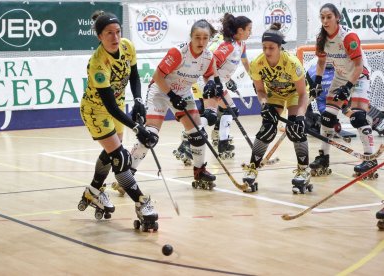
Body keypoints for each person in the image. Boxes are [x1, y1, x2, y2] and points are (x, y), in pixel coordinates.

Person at [78, 11, 159, 231]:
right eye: (108, 34)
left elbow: (133, 76)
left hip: (118, 104)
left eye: (117, 32)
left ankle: (93, 192)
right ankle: (142, 203)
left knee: (111, 153)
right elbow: (110, 107)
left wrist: (139, 101)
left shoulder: (127, 46)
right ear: (99, 37)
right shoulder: (98, 64)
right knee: (121, 157)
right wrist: (137, 128)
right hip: (97, 111)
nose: (115, 37)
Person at [130, 19, 218, 190]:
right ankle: (127, 172)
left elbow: (209, 77)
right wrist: (170, 94)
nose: (201, 42)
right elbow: (157, 76)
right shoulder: (178, 53)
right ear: (191, 37)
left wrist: (210, 89)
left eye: (205, 38)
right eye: (197, 37)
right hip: (161, 92)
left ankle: (200, 171)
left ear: (209, 39)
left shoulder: (208, 57)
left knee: (198, 134)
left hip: (183, 93)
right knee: (150, 137)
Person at [308, 3, 378, 178]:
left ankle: (370, 158)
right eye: (322, 17)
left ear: (337, 17)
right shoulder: (321, 39)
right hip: (340, 77)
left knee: (358, 117)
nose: (325, 21)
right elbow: (321, 62)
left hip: (358, 76)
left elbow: (358, 65)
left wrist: (347, 88)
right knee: (327, 117)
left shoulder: (348, 37)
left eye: (329, 17)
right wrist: (317, 83)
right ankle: (324, 157)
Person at [242, 22, 311, 194]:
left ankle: (304, 170)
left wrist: (301, 116)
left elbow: (303, 94)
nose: (267, 52)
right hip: (275, 94)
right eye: (264, 47)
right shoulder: (257, 64)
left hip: (295, 93)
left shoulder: (292, 63)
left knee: (295, 129)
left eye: (271, 48)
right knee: (267, 128)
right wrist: (264, 105)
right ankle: (252, 168)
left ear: (280, 48)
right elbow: (259, 90)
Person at [207, 13, 252, 159]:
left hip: (220, 81)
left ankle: (223, 142)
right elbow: (212, 62)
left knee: (231, 110)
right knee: (210, 115)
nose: (250, 33)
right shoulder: (228, 46)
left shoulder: (241, 45)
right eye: (248, 30)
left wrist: (254, 80)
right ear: (240, 31)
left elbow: (245, 62)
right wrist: (216, 82)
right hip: (211, 82)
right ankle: (191, 141)